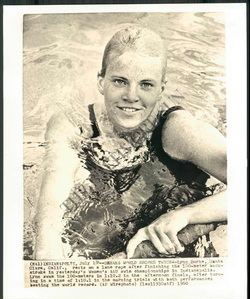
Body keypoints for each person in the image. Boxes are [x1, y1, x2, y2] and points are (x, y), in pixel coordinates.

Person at [34, 26, 227, 260]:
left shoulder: (179, 131)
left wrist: (184, 216)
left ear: (161, 90)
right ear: (100, 81)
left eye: (146, 84)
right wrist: (49, 258)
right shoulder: (74, 125)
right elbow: (51, 205)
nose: (131, 96)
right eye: (119, 81)